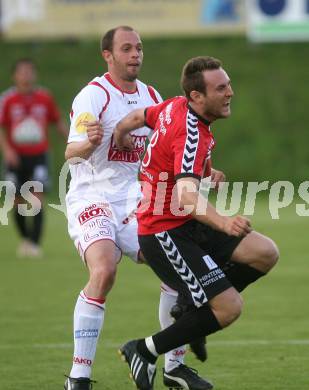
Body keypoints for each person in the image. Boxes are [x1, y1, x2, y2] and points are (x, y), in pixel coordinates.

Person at [114, 56, 279, 390]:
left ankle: (194, 306)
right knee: (229, 307)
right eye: (221, 88)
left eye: (228, 84)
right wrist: (223, 222)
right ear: (197, 97)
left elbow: (136, 118)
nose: (230, 92)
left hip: (185, 224)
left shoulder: (174, 106)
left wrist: (120, 134)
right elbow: (188, 197)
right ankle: (143, 350)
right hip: (165, 232)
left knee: (265, 252)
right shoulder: (191, 130)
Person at [64, 26, 211, 390]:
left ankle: (174, 368)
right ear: (108, 55)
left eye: (139, 48)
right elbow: (71, 152)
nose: (135, 55)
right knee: (103, 272)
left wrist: (200, 172)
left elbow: (161, 150)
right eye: (126, 48)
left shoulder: (150, 95)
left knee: (177, 272)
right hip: (92, 197)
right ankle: (78, 377)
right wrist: (88, 143)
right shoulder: (93, 96)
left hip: (133, 200)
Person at [0, 58, 68, 257]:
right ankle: (26, 239)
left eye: (30, 71)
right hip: (16, 157)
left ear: (34, 74)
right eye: (22, 72)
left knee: (37, 198)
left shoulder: (44, 97)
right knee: (17, 201)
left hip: (39, 155)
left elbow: (57, 121)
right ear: (14, 76)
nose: (26, 75)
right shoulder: (7, 99)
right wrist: (7, 150)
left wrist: (73, 142)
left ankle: (35, 245)